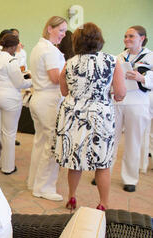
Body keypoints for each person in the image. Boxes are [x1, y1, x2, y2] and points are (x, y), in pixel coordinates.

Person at [53, 22, 126, 212]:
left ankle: (72, 197)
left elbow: (63, 90)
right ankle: (103, 203)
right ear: (99, 40)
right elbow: (120, 93)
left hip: (74, 116)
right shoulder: (112, 61)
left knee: (74, 162)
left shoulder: (69, 63)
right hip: (100, 116)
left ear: (77, 41)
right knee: (102, 164)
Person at [27, 16, 67, 201]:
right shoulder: (49, 50)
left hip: (39, 98)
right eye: (61, 30)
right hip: (48, 99)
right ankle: (44, 188)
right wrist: (70, 71)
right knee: (51, 144)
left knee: (41, 142)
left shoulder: (39, 47)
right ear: (50, 28)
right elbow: (54, 77)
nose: (63, 35)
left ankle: (34, 181)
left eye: (65, 31)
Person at [113, 25, 153, 192]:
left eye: (131, 36)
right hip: (118, 102)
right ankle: (103, 172)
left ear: (141, 38)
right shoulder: (119, 57)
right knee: (110, 139)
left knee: (133, 142)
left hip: (138, 102)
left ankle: (130, 178)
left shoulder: (150, 57)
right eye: (125, 36)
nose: (127, 39)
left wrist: (141, 78)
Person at [0, 34, 32, 175]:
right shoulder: (11, 61)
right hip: (10, 98)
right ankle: (8, 167)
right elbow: (19, 83)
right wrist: (32, 81)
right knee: (9, 133)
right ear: (12, 47)